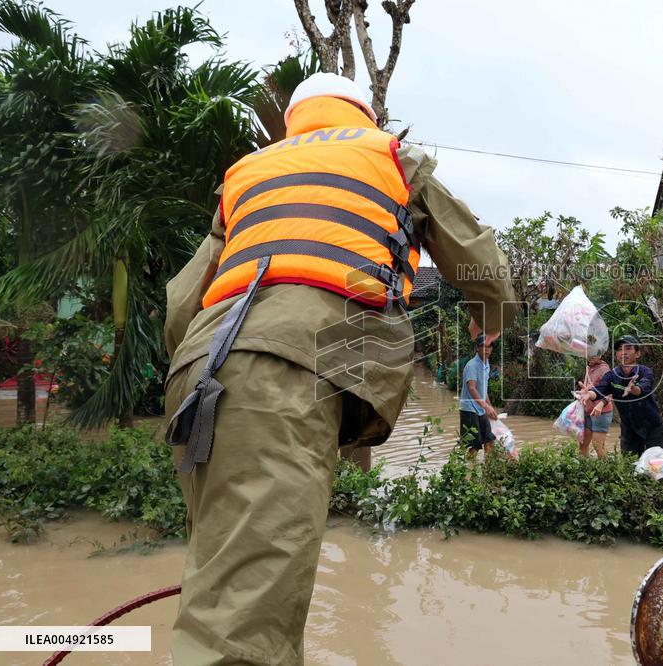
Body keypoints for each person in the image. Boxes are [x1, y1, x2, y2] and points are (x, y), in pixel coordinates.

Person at [162, 73, 515, 664]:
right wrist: (492, 319)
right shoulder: (392, 158)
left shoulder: (249, 173)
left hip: (196, 376)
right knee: (242, 637)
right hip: (287, 378)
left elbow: (178, 308)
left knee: (224, 589)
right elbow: (487, 274)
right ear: (365, 115)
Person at [576, 335, 663, 456]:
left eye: (628, 348)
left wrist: (633, 388)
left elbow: (643, 388)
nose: (623, 352)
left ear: (637, 354)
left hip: (652, 427)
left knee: (657, 465)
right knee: (629, 465)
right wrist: (589, 394)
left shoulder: (645, 372)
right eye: (619, 349)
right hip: (629, 429)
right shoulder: (611, 375)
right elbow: (600, 390)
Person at [459, 334, 497, 456]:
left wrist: (490, 407)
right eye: (483, 347)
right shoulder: (472, 365)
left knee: (489, 440)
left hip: (481, 409)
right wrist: (486, 407)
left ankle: (488, 469)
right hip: (469, 409)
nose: (487, 350)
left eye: (489, 347)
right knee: (474, 445)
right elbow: (472, 388)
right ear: (477, 348)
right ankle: (467, 469)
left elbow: (483, 390)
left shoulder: (486, 364)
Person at [578, 352, 613, 458]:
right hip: (588, 409)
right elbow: (588, 387)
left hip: (601, 412)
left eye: (594, 353)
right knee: (583, 444)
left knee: (598, 446)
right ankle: (584, 472)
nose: (590, 356)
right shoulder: (589, 367)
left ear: (601, 354)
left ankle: (605, 473)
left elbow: (611, 391)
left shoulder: (604, 370)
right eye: (589, 353)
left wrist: (602, 404)